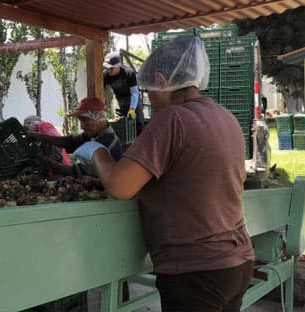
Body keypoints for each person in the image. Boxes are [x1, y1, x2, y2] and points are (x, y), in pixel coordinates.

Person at [74, 36, 255, 311]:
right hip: (237, 262)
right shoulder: (226, 118)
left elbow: (120, 186)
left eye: (148, 91)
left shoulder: (171, 119)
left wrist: (96, 153)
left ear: (161, 80)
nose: (149, 100)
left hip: (195, 272)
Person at [27, 97, 122, 178]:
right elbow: (69, 142)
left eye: (85, 121)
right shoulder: (93, 135)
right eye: (80, 121)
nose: (82, 126)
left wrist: (43, 160)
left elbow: (76, 172)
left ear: (99, 118)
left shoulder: (106, 144)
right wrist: (39, 136)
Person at [103, 52, 145, 134]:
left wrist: (132, 108)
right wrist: (103, 106)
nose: (109, 70)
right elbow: (102, 92)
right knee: (120, 123)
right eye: (107, 68)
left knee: (139, 123)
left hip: (133, 98)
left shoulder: (128, 73)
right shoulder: (105, 75)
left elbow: (134, 92)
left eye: (111, 68)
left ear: (118, 65)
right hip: (119, 99)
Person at [23, 115, 72, 180]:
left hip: (61, 168)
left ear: (35, 123)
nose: (27, 131)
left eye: (27, 126)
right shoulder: (38, 136)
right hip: (58, 168)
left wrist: (56, 166)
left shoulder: (44, 125)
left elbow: (56, 142)